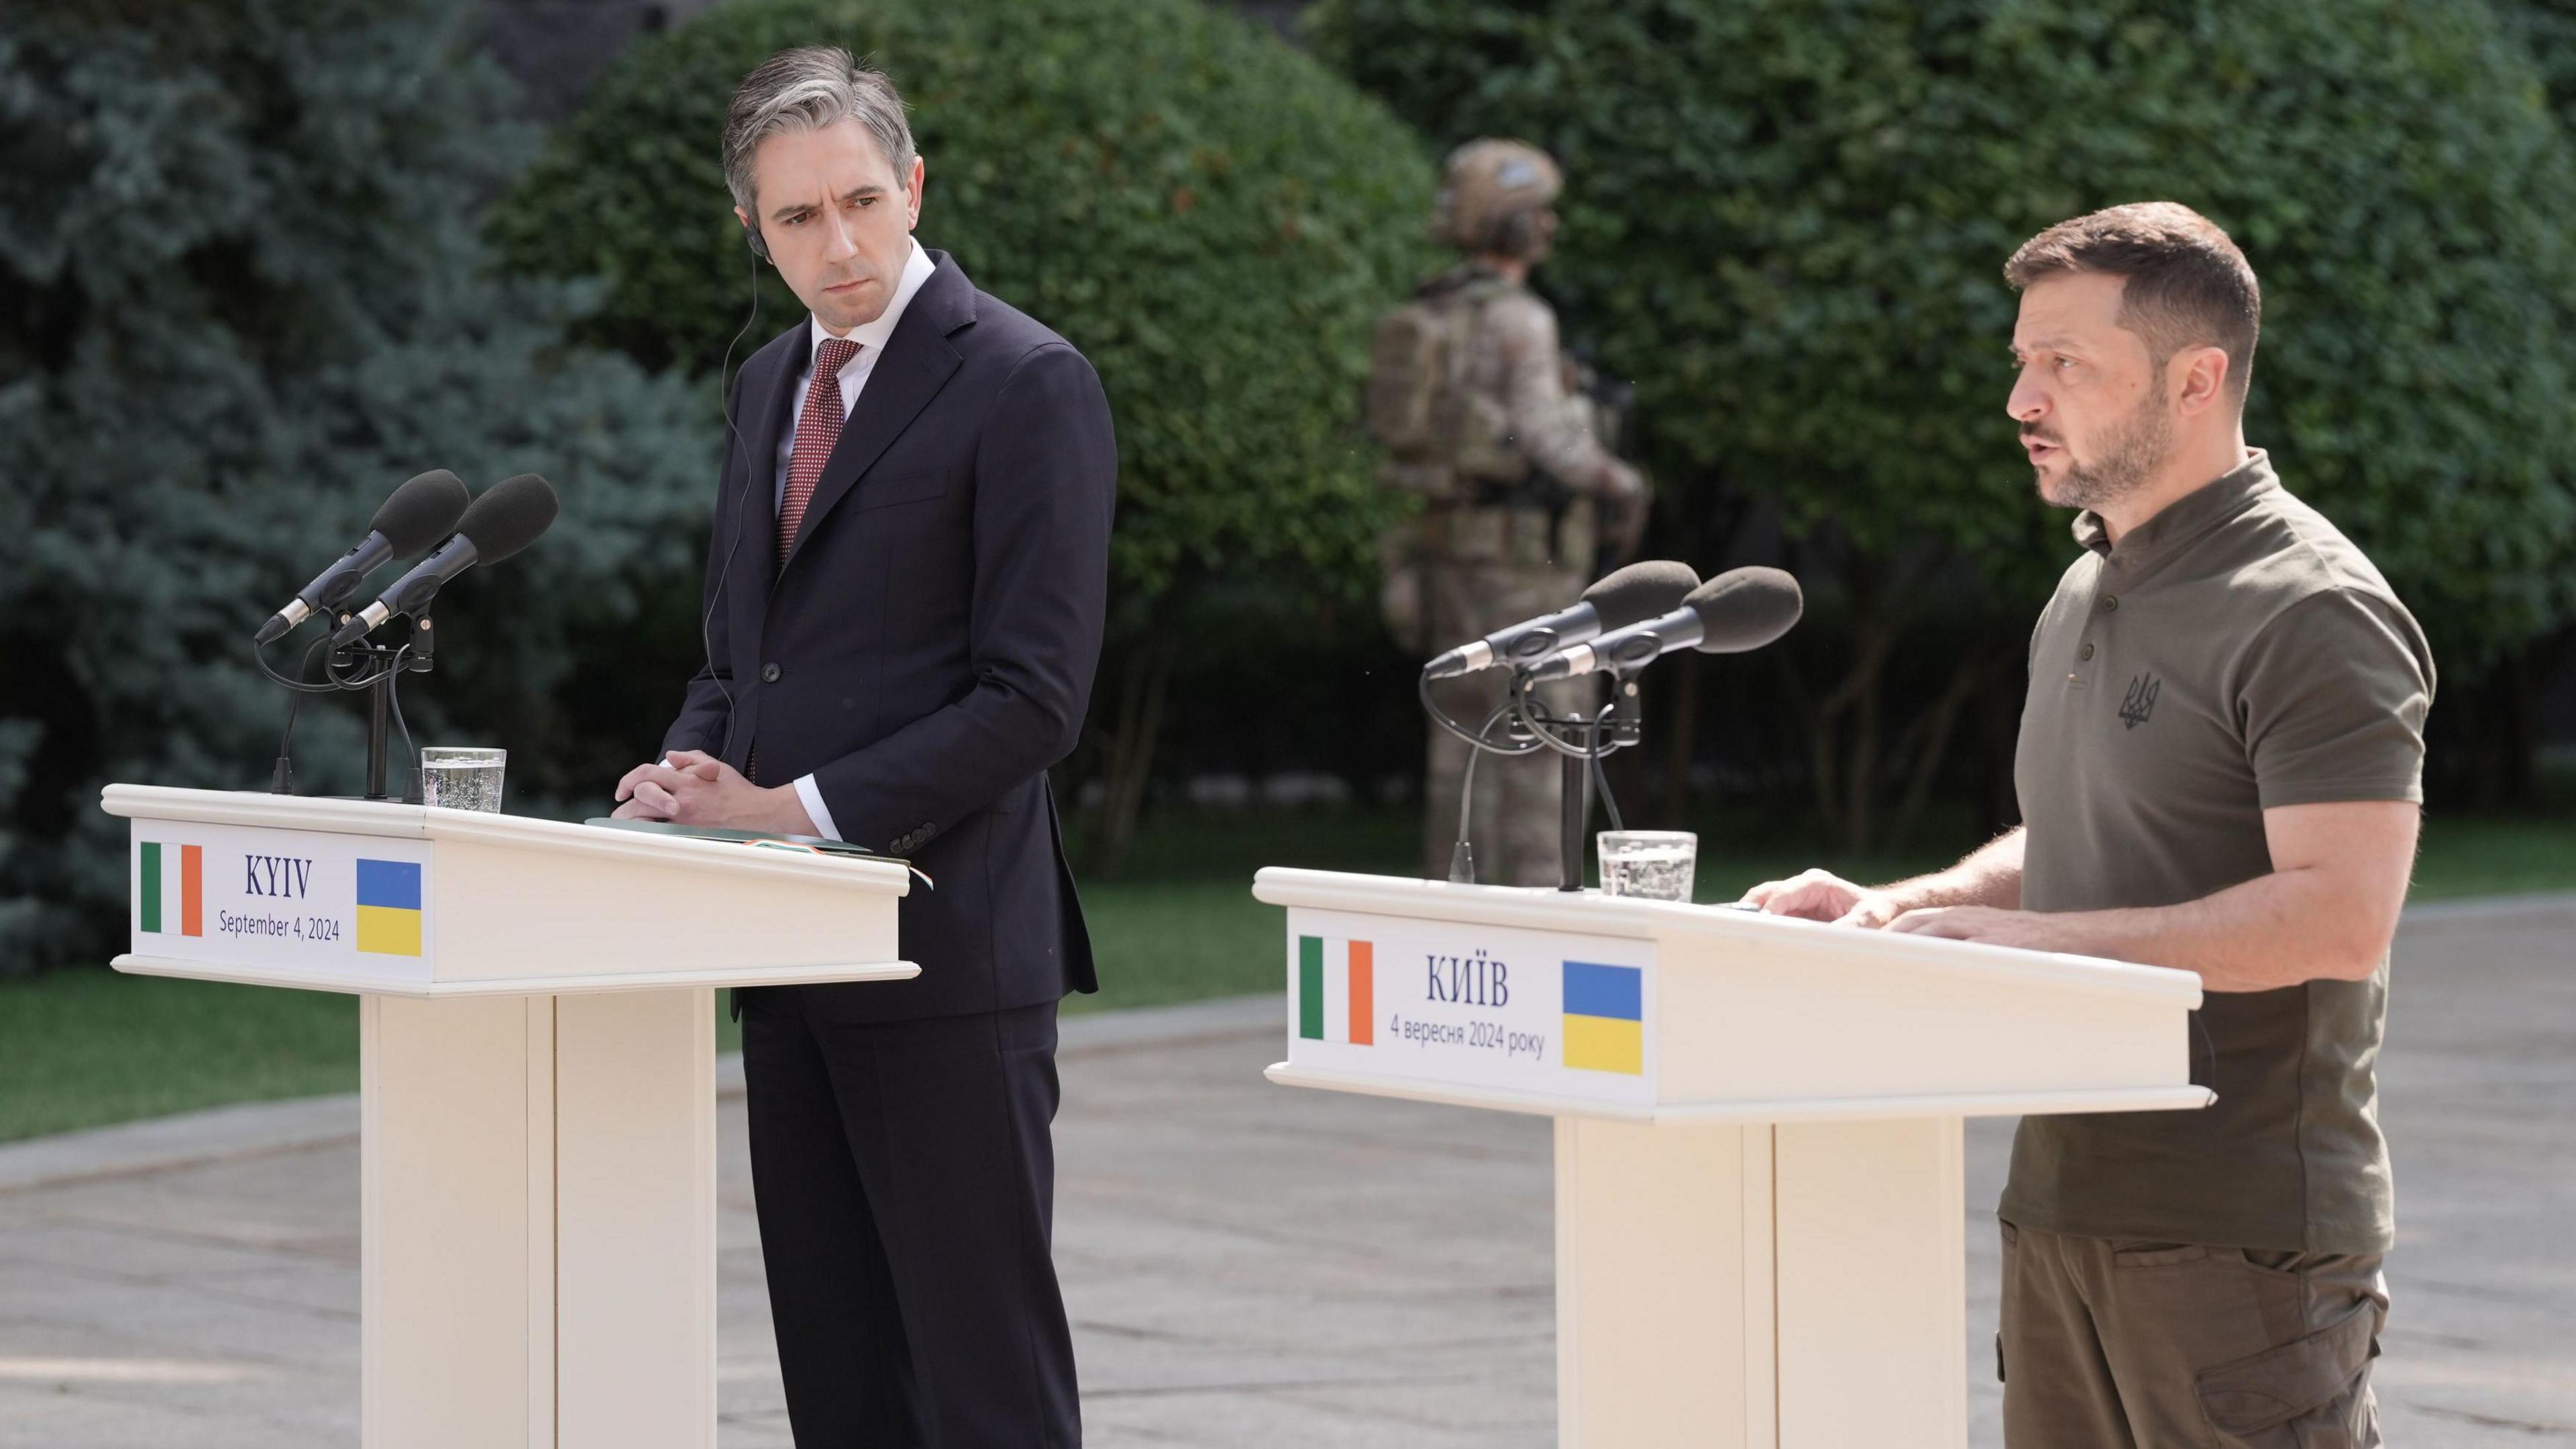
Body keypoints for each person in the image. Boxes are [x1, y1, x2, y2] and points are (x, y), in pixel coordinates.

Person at [1745, 203, 2432, 1447]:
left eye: (2065, 364)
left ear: (2195, 381)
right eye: (2022, 360)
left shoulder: (2312, 608)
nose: (2022, 397)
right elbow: (2076, 836)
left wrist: (2043, 949)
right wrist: (1895, 907)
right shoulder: (2084, 584)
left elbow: (2340, 913)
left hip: (2241, 1237)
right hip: (2060, 1204)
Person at [609, 47, 1110, 1448]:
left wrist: (792, 810)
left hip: (949, 955)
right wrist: (690, 772)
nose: (840, 245)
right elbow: (737, 653)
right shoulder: (770, 384)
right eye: (797, 219)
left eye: (862, 202)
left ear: (915, 187)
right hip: (789, 963)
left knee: (983, 1386)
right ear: (750, 231)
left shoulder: (1027, 382)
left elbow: (1034, 699)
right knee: (839, 1385)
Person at [1369, 138, 1650, 885]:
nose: (1551, 228)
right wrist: (1621, 481)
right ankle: (1539, 909)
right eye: (1541, 214)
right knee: (1548, 733)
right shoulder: (1520, 318)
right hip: (1526, 568)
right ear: (1519, 227)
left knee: (1459, 742)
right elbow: (1548, 439)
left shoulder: (1433, 309)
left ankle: (1453, 907)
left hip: (1447, 560)